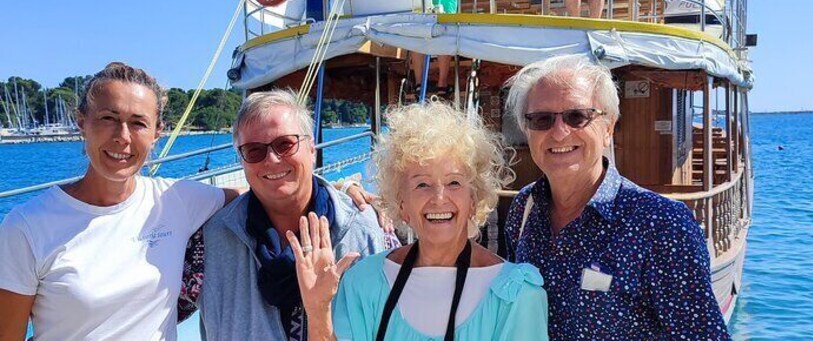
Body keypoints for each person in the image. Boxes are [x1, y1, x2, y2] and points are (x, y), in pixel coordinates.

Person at [0, 62, 239, 341]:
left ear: (156, 133)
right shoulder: (27, 226)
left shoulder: (176, 200)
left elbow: (256, 192)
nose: (122, 137)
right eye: (108, 118)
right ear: (82, 123)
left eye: (138, 123)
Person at [503, 55, 730, 340]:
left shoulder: (661, 225)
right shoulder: (525, 208)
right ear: (528, 130)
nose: (559, 132)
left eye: (577, 116)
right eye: (542, 119)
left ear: (608, 128)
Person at [290, 101, 549, 341]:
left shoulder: (515, 296)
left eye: (454, 183)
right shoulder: (363, 283)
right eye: (422, 184)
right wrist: (318, 310)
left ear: (475, 198)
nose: (438, 198)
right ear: (402, 204)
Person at [197, 89, 391, 341]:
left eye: (285, 144)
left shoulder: (361, 227)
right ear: (242, 160)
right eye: (255, 151)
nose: (272, 159)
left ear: (312, 149)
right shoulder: (213, 238)